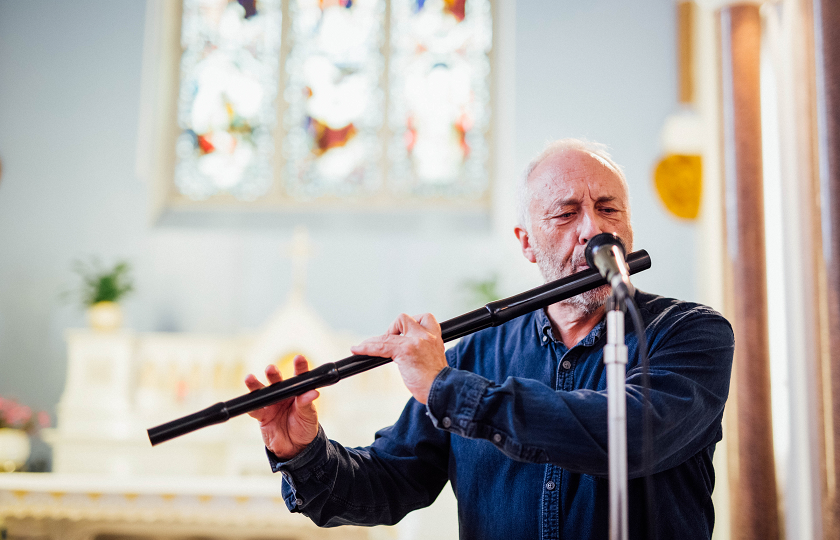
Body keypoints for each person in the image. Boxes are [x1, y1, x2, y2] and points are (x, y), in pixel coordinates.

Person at [244, 139, 734, 540]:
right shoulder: (476, 354)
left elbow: (626, 433)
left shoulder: (690, 334)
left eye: (608, 209)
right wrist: (303, 451)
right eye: (565, 215)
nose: (594, 229)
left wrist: (447, 389)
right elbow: (389, 482)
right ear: (525, 242)